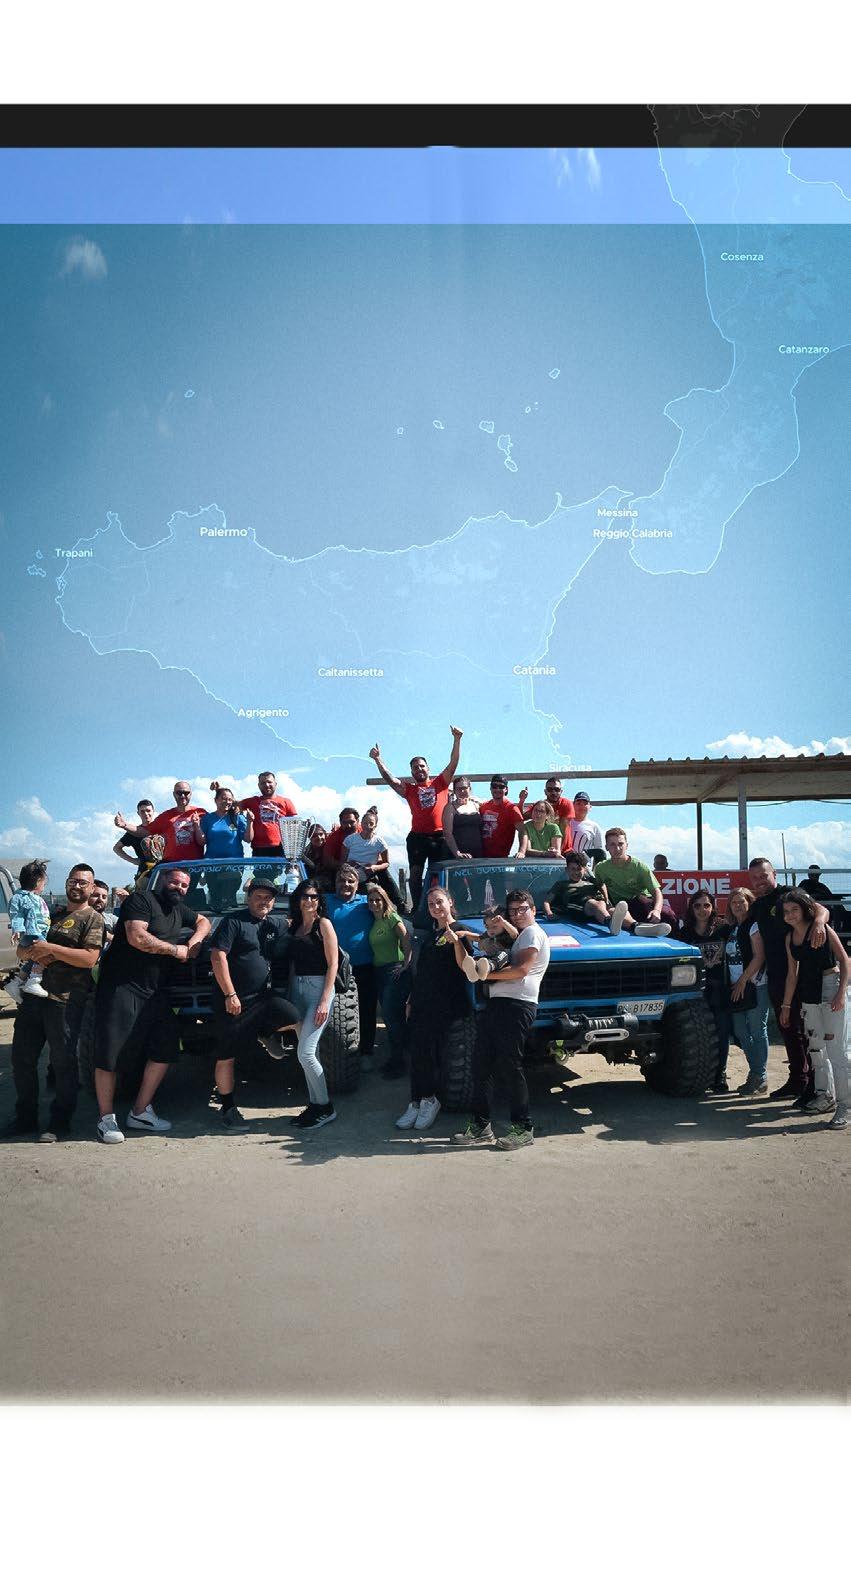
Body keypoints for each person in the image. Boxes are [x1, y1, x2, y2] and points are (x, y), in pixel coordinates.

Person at [91, 867, 212, 1143]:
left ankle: (140, 1111)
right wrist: (176, 950)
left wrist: (194, 942)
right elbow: (137, 937)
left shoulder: (179, 910)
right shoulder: (141, 900)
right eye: (175, 882)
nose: (179, 888)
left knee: (166, 1047)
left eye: (184, 885)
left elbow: (204, 921)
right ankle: (105, 1119)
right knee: (109, 1054)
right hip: (122, 985)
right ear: (162, 881)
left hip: (155, 990)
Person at [2, 864, 106, 1142]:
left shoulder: (92, 918)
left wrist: (51, 950)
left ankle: (60, 1121)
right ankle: (25, 1118)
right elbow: (23, 950)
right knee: (21, 1059)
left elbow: (89, 958)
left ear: (91, 887)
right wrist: (32, 952)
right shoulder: (51, 913)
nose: (77, 886)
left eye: (83, 882)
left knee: (63, 1062)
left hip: (65, 1001)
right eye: (73, 881)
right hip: (33, 998)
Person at [453, 888, 550, 1150]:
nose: (517, 914)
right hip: (498, 1003)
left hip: (518, 1005)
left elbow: (521, 970)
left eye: (523, 909)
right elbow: (486, 941)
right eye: (513, 911)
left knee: (510, 1066)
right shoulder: (516, 936)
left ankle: (523, 1128)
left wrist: (483, 975)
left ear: (533, 910)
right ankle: (481, 1125)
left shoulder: (532, 933)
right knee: (481, 1064)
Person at [209, 878, 301, 1132]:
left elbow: (293, 923)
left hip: (263, 998)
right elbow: (217, 956)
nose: (264, 901)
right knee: (226, 1055)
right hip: (233, 1002)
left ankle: (264, 1032)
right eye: (258, 896)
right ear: (248, 898)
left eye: (268, 898)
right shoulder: (233, 922)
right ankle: (228, 1109)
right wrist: (230, 994)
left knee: (293, 1016)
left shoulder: (273, 923)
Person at [748, 857, 830, 1103]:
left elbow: (821, 910)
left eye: (764, 876)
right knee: (788, 1029)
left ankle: (815, 1085)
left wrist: (818, 923)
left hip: (802, 974)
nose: (760, 881)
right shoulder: (759, 905)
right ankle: (797, 1079)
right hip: (776, 975)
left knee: (807, 1031)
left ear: (774, 874)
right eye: (755, 878)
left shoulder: (790, 894)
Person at [394, 886, 470, 1133]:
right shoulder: (430, 934)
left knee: (433, 1054)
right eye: (430, 904)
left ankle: (430, 1100)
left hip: (445, 1004)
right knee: (417, 1052)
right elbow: (423, 972)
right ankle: (416, 1101)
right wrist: (411, 999)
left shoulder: (459, 930)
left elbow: (465, 966)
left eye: (439, 902)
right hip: (422, 1002)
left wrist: (456, 942)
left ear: (450, 902)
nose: (436, 907)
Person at [369, 726, 463, 910]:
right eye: (415, 767)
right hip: (418, 837)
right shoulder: (410, 789)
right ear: (412, 772)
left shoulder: (441, 782)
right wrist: (378, 760)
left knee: (438, 874)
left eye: (422, 766)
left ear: (428, 768)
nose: (419, 769)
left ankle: (440, 908)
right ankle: (418, 909)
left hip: (440, 837)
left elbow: (453, 762)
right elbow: (391, 780)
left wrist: (457, 739)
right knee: (415, 874)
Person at [780, 889, 849, 1127]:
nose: (790, 915)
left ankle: (845, 1105)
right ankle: (824, 1095)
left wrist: (841, 993)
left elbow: (844, 959)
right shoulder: (790, 938)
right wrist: (786, 1005)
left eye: (794, 909)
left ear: (804, 910)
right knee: (816, 1048)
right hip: (808, 993)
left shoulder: (822, 929)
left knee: (837, 1052)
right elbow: (792, 974)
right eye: (786, 911)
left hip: (831, 987)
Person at [278, 878, 338, 1129]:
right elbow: (292, 965)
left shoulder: (323, 925)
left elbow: (333, 964)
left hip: (319, 990)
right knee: (308, 1055)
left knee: (306, 1053)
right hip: (298, 990)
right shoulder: (294, 927)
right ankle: (314, 1104)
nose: (310, 900)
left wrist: (324, 1000)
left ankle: (325, 1106)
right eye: (305, 896)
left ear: (319, 900)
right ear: (298, 899)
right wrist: (290, 997)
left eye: (314, 896)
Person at [324, 864, 377, 1060]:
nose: (345, 884)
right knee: (334, 1013)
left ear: (357, 884)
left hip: (365, 966)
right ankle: (336, 1055)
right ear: (335, 882)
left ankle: (366, 1052)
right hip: (333, 968)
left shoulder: (367, 902)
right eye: (341, 880)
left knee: (366, 1010)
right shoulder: (324, 902)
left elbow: (391, 916)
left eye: (350, 881)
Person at [680, 890, 730, 1092]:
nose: (702, 910)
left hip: (720, 990)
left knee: (721, 1033)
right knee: (699, 1036)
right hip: (695, 993)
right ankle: (704, 1076)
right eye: (697, 906)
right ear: (691, 908)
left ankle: (720, 1075)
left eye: (706, 905)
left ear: (713, 907)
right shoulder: (685, 933)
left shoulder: (724, 928)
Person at [723, 887, 770, 1097]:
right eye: (734, 902)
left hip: (755, 985)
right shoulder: (732, 928)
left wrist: (743, 980)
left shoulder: (754, 926)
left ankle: (760, 1076)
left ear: (749, 903)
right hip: (736, 987)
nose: (738, 906)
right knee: (741, 1032)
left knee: (758, 1030)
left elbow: (759, 956)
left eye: (742, 901)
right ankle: (756, 1072)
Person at [366, 882, 412, 1078]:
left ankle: (399, 1062)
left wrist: (406, 964)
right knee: (389, 1017)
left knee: (392, 1017)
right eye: (371, 900)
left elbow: (406, 939)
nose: (374, 903)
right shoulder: (374, 922)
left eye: (378, 900)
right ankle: (396, 1058)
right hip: (379, 972)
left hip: (394, 971)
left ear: (384, 901)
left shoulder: (391, 918)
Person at [594, 829, 678, 936]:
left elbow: (657, 892)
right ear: (606, 847)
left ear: (627, 845)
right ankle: (638, 927)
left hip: (642, 903)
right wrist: (606, 903)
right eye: (612, 845)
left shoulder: (639, 866)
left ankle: (676, 940)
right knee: (612, 910)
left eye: (620, 844)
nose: (617, 848)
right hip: (621, 907)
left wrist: (656, 910)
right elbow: (598, 888)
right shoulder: (601, 868)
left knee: (668, 915)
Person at [115, 781, 206, 864]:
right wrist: (124, 825)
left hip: (195, 865)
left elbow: (211, 835)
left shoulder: (201, 813)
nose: (182, 796)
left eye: (186, 793)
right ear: (174, 794)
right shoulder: (166, 816)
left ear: (191, 794)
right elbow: (145, 831)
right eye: (179, 793)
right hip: (172, 866)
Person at [543, 850, 629, 934]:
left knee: (613, 910)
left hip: (598, 906)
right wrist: (549, 913)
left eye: (579, 869)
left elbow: (602, 885)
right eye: (573, 869)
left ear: (584, 870)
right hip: (578, 906)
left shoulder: (591, 881)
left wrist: (606, 901)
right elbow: (546, 901)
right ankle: (610, 923)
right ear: (567, 869)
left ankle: (633, 925)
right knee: (596, 904)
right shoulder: (561, 884)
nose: (576, 872)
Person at [196, 784, 252, 911]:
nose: (227, 802)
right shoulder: (208, 818)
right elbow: (201, 841)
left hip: (234, 864)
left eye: (230, 799)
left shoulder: (237, 817)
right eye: (223, 798)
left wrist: (250, 822)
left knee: (228, 896)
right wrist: (196, 826)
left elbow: (248, 839)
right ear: (216, 800)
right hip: (212, 864)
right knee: (216, 898)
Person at [6, 858, 52, 1000]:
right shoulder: (20, 898)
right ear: (38, 882)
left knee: (33, 960)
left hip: (38, 932)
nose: (44, 886)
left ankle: (17, 982)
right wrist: (17, 929)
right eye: (44, 883)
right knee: (45, 953)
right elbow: (16, 915)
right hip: (32, 933)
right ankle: (34, 981)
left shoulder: (35, 897)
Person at [342, 806, 403, 909]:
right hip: (350, 874)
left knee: (373, 891)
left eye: (371, 824)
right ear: (361, 823)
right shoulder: (350, 839)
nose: (367, 826)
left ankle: (399, 905)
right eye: (365, 823)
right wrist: (349, 864)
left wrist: (374, 867)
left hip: (367, 876)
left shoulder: (379, 842)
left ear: (375, 826)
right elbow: (342, 861)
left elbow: (386, 863)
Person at [239, 771, 297, 860]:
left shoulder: (286, 802)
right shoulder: (252, 801)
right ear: (259, 786)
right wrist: (219, 789)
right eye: (263, 783)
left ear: (275, 784)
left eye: (269, 782)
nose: (266, 785)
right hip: (259, 849)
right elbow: (230, 804)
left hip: (281, 848)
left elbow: (294, 827)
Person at [456, 903, 518, 982]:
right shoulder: (489, 934)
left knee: (503, 954)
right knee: (480, 957)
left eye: (494, 926)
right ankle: (474, 968)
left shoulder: (507, 934)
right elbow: (478, 938)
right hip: (489, 961)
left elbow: (514, 934)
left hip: (503, 963)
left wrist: (503, 922)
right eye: (487, 927)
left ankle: (488, 966)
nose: (490, 930)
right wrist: (465, 934)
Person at [112, 799, 164, 880]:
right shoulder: (133, 832)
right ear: (138, 813)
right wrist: (133, 860)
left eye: (148, 811)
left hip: (165, 870)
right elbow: (116, 848)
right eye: (142, 811)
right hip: (145, 873)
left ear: (153, 811)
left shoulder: (163, 828)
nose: (146, 814)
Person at [519, 777, 574, 849]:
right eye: (550, 789)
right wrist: (522, 800)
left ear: (561, 791)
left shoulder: (566, 803)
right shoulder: (539, 806)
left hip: (564, 850)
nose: (553, 792)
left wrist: (558, 851)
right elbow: (521, 817)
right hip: (544, 851)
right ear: (545, 791)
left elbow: (563, 829)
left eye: (557, 789)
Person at [479, 774, 525, 859]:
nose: (497, 789)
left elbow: (523, 832)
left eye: (501, 787)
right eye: (494, 786)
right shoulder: (483, 807)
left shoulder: (512, 809)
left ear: (506, 789)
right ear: (490, 788)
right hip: (481, 857)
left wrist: (521, 851)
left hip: (501, 860)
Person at [441, 775, 484, 859]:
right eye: (459, 789)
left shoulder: (477, 805)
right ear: (454, 791)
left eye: (465, 788)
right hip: (457, 854)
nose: (462, 791)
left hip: (477, 853)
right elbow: (447, 833)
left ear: (470, 789)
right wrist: (457, 853)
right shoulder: (450, 807)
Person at [566, 791, 606, 864]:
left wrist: (595, 869)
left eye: (585, 803)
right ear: (573, 805)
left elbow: (599, 851)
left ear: (590, 807)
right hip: (565, 865)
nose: (582, 806)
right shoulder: (566, 823)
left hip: (585, 867)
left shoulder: (594, 827)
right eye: (578, 803)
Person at [322, 808, 362, 880]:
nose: (348, 825)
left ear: (358, 821)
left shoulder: (365, 832)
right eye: (345, 823)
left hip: (365, 870)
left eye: (351, 822)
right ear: (340, 823)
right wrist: (345, 865)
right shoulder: (333, 838)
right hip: (340, 872)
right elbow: (327, 860)